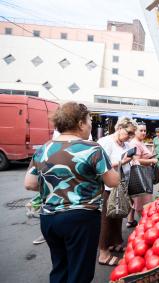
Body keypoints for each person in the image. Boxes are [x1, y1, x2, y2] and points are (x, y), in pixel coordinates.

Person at [24, 102, 120, 283]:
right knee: (79, 272)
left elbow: (30, 183)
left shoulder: (44, 148)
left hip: (49, 219)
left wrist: (57, 184)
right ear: (80, 123)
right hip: (81, 219)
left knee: (60, 268)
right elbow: (113, 181)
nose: (91, 124)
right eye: (89, 120)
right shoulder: (92, 148)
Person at [97, 116, 138, 265]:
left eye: (133, 134)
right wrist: (122, 162)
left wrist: (133, 160)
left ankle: (115, 242)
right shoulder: (104, 142)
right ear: (120, 128)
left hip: (122, 186)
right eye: (129, 133)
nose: (131, 137)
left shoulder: (126, 145)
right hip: (108, 186)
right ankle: (103, 252)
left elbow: (128, 162)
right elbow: (100, 166)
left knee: (118, 214)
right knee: (107, 218)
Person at [127, 123, 158, 227]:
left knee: (134, 199)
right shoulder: (135, 143)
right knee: (142, 202)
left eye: (145, 131)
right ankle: (144, 226)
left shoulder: (140, 142)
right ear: (135, 131)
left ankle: (130, 220)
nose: (143, 133)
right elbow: (135, 160)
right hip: (141, 175)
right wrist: (152, 160)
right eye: (141, 130)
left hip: (142, 174)